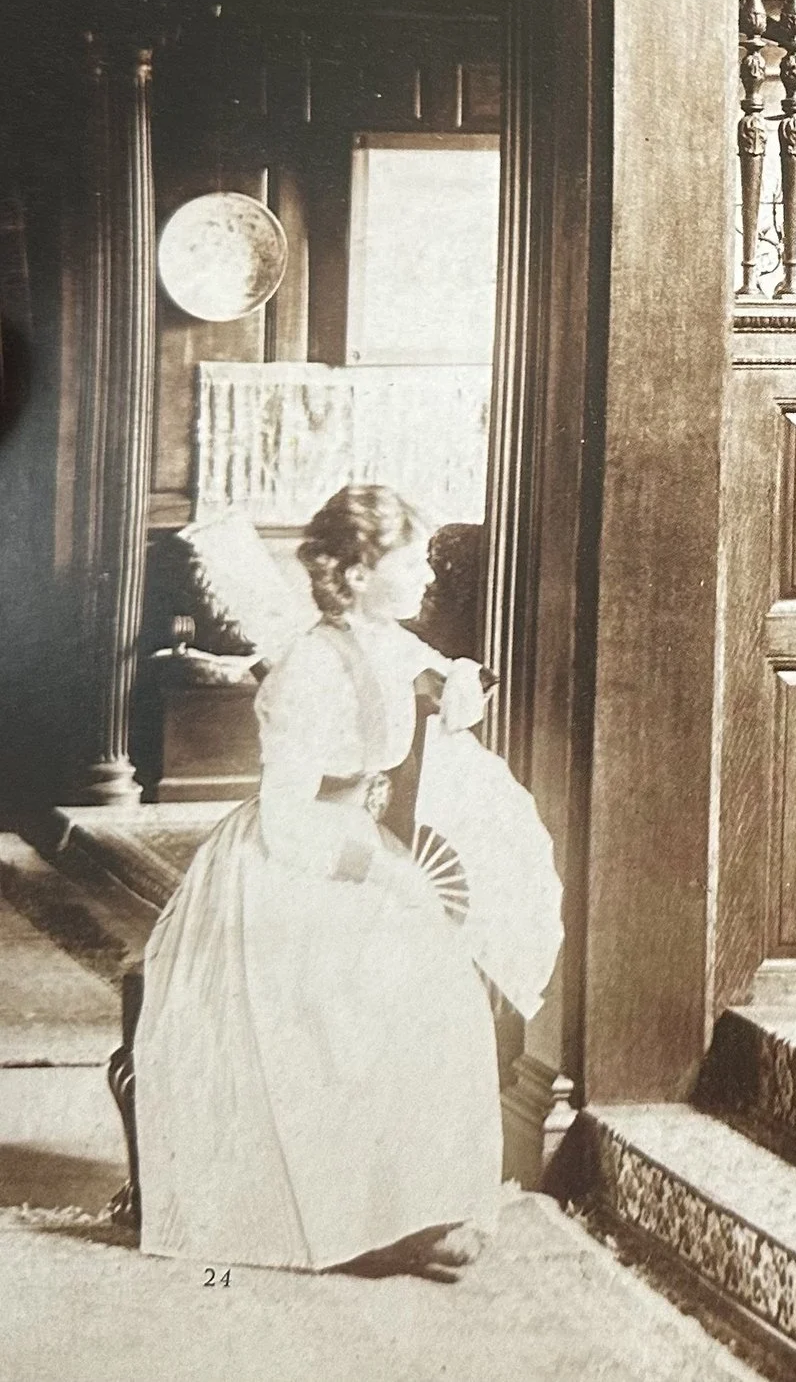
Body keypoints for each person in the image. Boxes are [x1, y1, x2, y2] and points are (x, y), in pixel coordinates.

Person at [134, 485, 504, 1276]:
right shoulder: (306, 670)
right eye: (411, 562)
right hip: (285, 863)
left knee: (440, 983)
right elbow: (285, 820)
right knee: (353, 988)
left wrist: (455, 682)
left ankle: (414, 1201)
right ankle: (355, 1214)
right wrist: (380, 873)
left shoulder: (388, 641)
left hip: (354, 845)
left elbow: (432, 677)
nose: (427, 576)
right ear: (360, 575)